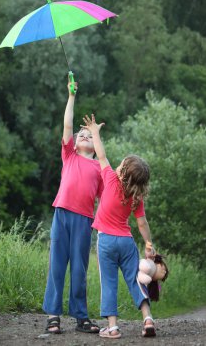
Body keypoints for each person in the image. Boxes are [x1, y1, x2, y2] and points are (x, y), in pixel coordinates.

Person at [81, 113, 163, 339]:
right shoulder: (137, 197)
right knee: (135, 280)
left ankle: (113, 327)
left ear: (122, 172)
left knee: (108, 283)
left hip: (106, 241)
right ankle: (147, 318)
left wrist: (95, 132)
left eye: (121, 164)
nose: (117, 165)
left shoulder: (109, 178)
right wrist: (148, 244)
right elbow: (142, 222)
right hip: (127, 243)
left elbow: (101, 154)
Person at [42, 78, 103, 334]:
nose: (86, 136)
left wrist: (101, 226)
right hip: (62, 214)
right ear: (75, 143)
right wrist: (71, 97)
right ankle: (53, 316)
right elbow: (68, 124)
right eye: (83, 134)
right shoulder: (69, 155)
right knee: (57, 265)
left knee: (79, 268)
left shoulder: (100, 166)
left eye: (91, 136)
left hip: (83, 220)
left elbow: (103, 200)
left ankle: (81, 317)